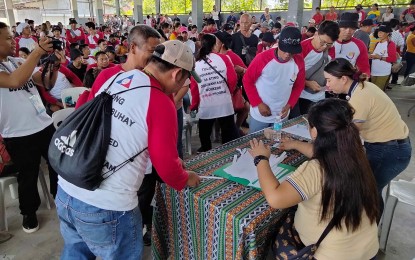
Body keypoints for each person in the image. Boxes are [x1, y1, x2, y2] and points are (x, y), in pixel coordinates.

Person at [56, 40, 201, 259]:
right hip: (108, 207)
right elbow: (166, 169)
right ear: (177, 74)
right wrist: (186, 177)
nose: (185, 84)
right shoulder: (160, 101)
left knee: (75, 253)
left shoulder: (117, 76)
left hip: (67, 189)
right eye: (187, 78)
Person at [250, 98, 379, 259]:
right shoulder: (356, 153)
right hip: (368, 250)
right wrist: (296, 144)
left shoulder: (315, 169)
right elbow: (324, 154)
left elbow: (276, 199)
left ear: (315, 131)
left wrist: (260, 158)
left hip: (331, 255)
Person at [323, 58, 411, 219]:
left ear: (343, 78)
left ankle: (368, 230)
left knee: (367, 192)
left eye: (329, 80)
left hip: (389, 150)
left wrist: (322, 139)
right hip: (393, 145)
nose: (327, 85)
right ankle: (370, 228)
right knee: (371, 190)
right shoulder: (364, 87)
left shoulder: (360, 97)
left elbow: (350, 134)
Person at [0, 22, 60, 233]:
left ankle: (60, 199)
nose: (13, 41)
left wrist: (53, 65)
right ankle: (29, 212)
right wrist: (37, 52)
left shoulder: (17, 61)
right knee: (28, 174)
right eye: (8, 38)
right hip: (18, 133)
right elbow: (15, 81)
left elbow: (45, 82)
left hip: (43, 125)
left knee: (58, 165)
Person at [243, 26, 305, 133]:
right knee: (256, 142)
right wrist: (258, 103)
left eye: (291, 52)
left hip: (281, 114)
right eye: (285, 50)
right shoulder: (262, 59)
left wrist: (290, 104)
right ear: (278, 43)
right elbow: (247, 80)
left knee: (277, 143)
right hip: (260, 113)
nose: (287, 55)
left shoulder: (298, 62)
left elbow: (299, 85)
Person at [190, 34, 239, 152]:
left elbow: (194, 88)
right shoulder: (225, 58)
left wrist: (194, 105)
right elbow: (233, 80)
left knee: (205, 134)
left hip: (206, 105)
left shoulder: (196, 64)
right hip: (224, 103)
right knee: (228, 135)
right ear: (215, 45)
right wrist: (228, 93)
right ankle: (228, 155)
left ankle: (206, 152)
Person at [295, 20, 339, 115]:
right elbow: (290, 73)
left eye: (329, 44)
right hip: (301, 96)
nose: (324, 47)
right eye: (322, 42)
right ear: (316, 34)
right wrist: (306, 83)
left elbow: (329, 68)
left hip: (320, 95)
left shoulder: (331, 49)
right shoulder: (302, 48)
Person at [213, 31, 250, 133]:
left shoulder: (232, 56)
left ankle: (236, 128)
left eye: (216, 42)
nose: (214, 45)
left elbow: (248, 73)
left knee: (245, 107)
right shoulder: (213, 55)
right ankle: (222, 131)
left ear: (222, 44)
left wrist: (241, 71)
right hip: (217, 92)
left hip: (230, 92)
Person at [369, 25, 397, 91]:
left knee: (378, 91)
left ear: (387, 33)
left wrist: (379, 57)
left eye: (381, 32)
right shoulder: (377, 43)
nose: (379, 33)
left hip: (383, 72)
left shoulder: (390, 44)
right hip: (374, 71)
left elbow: (393, 59)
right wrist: (371, 56)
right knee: (373, 90)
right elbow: (375, 55)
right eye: (379, 32)